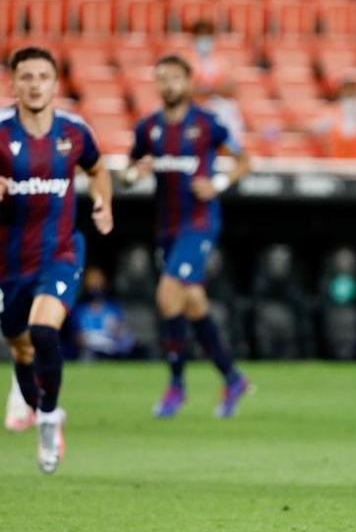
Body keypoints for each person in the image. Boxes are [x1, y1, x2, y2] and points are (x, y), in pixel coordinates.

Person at [0, 47, 114, 471]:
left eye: (42, 76)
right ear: (13, 82)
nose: (34, 84)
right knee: (21, 347)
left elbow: (98, 168)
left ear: (55, 83)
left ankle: (49, 419)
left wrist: (104, 204)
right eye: (25, 76)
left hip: (61, 252)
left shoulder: (74, 132)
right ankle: (33, 403)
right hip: (8, 263)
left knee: (43, 330)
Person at [126, 54, 252, 419]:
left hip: (199, 224)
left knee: (167, 294)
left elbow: (244, 161)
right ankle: (233, 378)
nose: (168, 85)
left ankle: (176, 386)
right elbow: (129, 170)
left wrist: (218, 182)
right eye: (161, 78)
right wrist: (135, 175)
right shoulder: (148, 128)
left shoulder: (207, 124)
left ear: (188, 82)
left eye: (175, 78)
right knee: (193, 302)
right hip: (166, 227)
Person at [71, 266, 135, 359]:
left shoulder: (112, 307)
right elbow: (76, 336)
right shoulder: (79, 309)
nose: (95, 285)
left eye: (98, 280)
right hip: (89, 348)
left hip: (111, 346)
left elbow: (122, 329)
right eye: (92, 281)